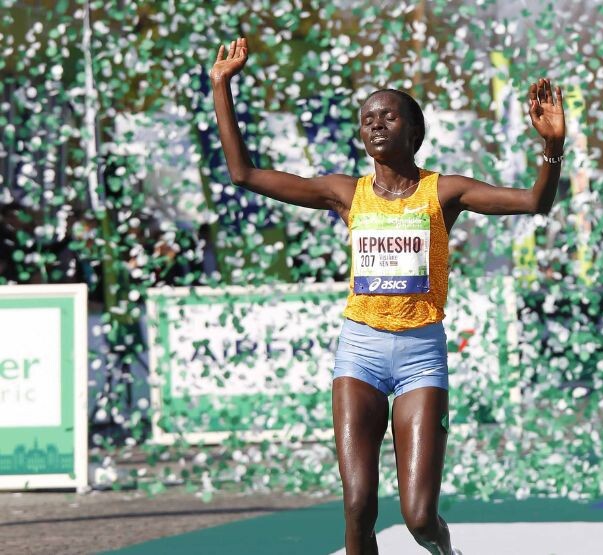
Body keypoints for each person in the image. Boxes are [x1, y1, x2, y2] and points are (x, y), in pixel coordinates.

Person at [210, 37, 565, 555]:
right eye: (367, 119)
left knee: (419, 518)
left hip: (420, 354)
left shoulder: (445, 192)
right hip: (360, 352)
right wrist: (221, 86)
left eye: (388, 117)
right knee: (358, 507)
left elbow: (535, 202)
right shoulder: (345, 193)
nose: (375, 124)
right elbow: (244, 174)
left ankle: (445, 550)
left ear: (414, 133)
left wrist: (552, 148)